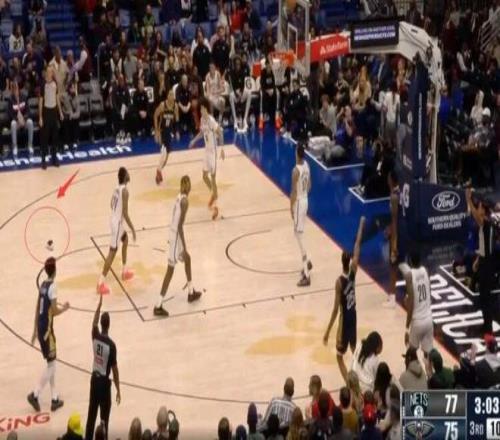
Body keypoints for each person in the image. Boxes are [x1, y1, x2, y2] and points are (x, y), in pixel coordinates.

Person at [324, 216, 365, 382]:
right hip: (353, 316)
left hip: (344, 319)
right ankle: (362, 377)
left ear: (341, 262)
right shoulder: (353, 271)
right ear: (349, 261)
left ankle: (349, 384)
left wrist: (327, 331)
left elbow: (335, 310)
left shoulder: (339, 282)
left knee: (339, 356)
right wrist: (361, 225)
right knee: (354, 351)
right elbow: (358, 245)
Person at [154, 176, 203, 316]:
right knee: (170, 270)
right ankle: (158, 305)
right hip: (175, 236)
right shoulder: (185, 201)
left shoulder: (179, 197)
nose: (189, 187)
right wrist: (184, 246)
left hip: (173, 234)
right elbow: (180, 226)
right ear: (187, 187)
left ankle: (191, 292)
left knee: (188, 259)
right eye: (189, 184)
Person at [27, 257, 68, 413]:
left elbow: (37, 308)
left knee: (52, 363)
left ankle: (54, 399)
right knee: (51, 366)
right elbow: (54, 311)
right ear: (55, 270)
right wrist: (65, 308)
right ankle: (35, 394)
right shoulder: (53, 287)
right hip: (47, 331)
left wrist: (34, 330)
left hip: (41, 327)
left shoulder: (43, 285)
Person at [84, 294, 121, 440]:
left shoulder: (95, 335)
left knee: (91, 416)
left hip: (94, 380)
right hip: (104, 384)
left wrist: (98, 306)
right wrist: (118, 389)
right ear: (109, 325)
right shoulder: (111, 345)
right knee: (104, 419)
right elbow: (115, 371)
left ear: (101, 324)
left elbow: (93, 323)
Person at [97, 167, 137, 295]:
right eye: (128, 173)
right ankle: (100, 283)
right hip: (117, 224)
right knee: (112, 252)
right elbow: (125, 213)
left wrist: (116, 214)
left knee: (125, 240)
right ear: (125, 177)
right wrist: (133, 228)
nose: (129, 174)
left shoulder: (116, 188)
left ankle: (124, 271)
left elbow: (111, 204)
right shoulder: (124, 191)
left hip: (114, 220)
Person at [466, 189, 497, 335]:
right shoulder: (489, 222)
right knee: (483, 296)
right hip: (486, 260)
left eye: (479, 207)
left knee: (485, 297)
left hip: (488, 264)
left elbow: (474, 214)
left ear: (483, 210)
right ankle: (486, 324)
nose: (478, 210)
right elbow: (486, 245)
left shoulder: (485, 223)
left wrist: (468, 200)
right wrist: (478, 259)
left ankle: (488, 327)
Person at [188, 97, 225, 220]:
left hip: (213, 152)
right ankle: (214, 194)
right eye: (201, 109)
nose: (202, 110)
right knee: (204, 176)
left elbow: (220, 133)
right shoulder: (202, 120)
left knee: (213, 179)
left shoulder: (211, 120)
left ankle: (216, 207)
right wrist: (194, 140)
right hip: (206, 151)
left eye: (204, 108)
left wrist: (222, 149)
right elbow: (202, 133)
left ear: (207, 109)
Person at [402, 249, 433, 375]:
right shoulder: (426, 271)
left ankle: (410, 379)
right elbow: (428, 293)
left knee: (411, 354)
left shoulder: (409, 276)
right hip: (428, 319)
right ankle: (430, 378)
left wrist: (406, 328)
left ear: (410, 261)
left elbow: (410, 305)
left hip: (417, 321)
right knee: (427, 355)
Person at [290, 143, 313, 287]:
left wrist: (291, 207)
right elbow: (309, 185)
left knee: (298, 235)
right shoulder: (307, 165)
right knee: (299, 233)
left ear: (297, 154)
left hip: (299, 202)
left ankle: (307, 274)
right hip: (305, 200)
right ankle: (308, 262)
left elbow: (293, 192)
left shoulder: (295, 171)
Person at [39, 66, 63, 169]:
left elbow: (57, 98)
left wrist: (60, 112)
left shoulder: (55, 84)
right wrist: (40, 117)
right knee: (45, 137)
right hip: (46, 112)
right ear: (46, 73)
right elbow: (40, 101)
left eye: (51, 72)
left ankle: (54, 158)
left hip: (54, 112)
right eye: (48, 72)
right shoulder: (43, 84)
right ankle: (43, 159)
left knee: (54, 136)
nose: (49, 73)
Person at [154, 89, 178, 185]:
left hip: (169, 132)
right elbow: (155, 116)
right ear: (167, 96)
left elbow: (177, 120)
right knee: (164, 152)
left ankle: (159, 170)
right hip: (162, 131)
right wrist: (157, 131)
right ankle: (158, 172)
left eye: (173, 94)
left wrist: (177, 131)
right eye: (170, 94)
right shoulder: (162, 105)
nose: (171, 96)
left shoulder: (175, 106)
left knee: (166, 157)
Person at [383, 170, 400, 307]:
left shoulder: (394, 196)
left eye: (388, 178)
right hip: (399, 231)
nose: (387, 180)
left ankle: (393, 297)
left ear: (392, 180)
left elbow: (395, 220)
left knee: (393, 265)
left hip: (397, 234)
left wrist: (394, 242)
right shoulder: (397, 192)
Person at [9, 80, 34, 156]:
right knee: (13, 124)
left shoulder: (24, 97)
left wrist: (24, 118)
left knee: (30, 122)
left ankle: (30, 145)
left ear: (19, 89)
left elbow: (28, 111)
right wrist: (17, 120)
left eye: (17, 88)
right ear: (12, 90)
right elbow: (10, 114)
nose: (16, 90)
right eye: (14, 88)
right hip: (17, 122)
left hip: (24, 120)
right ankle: (15, 147)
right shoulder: (10, 100)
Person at [229, 56, 251, 131]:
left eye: (239, 64)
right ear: (234, 65)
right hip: (235, 93)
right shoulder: (231, 73)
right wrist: (236, 93)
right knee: (231, 96)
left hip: (241, 93)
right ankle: (235, 120)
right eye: (236, 64)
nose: (238, 65)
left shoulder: (242, 72)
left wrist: (241, 92)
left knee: (249, 93)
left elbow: (243, 85)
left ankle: (245, 119)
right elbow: (232, 85)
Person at [60, 81, 80, 151]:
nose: (73, 89)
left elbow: (78, 113)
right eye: (72, 88)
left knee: (76, 121)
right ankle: (66, 143)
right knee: (65, 121)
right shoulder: (65, 96)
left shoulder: (77, 98)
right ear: (69, 89)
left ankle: (75, 141)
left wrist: (72, 115)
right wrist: (67, 113)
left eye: (74, 88)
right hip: (67, 115)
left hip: (74, 116)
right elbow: (62, 108)